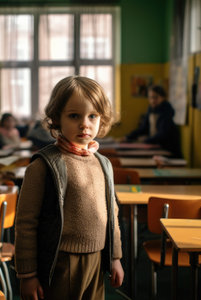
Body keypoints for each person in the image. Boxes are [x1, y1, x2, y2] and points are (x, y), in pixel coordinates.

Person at [15, 76, 124, 300]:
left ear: (101, 119)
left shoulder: (103, 163)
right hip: (61, 262)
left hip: (97, 258)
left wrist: (115, 258)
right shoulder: (43, 166)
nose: (85, 124)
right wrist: (27, 275)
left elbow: (111, 214)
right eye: (74, 116)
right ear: (56, 119)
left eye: (92, 116)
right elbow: (26, 222)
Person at [125, 85, 182, 157]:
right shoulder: (151, 109)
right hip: (155, 146)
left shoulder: (167, 110)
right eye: (150, 97)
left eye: (155, 97)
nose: (152, 100)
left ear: (163, 97)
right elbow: (144, 128)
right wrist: (128, 137)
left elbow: (162, 134)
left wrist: (144, 141)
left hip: (167, 149)